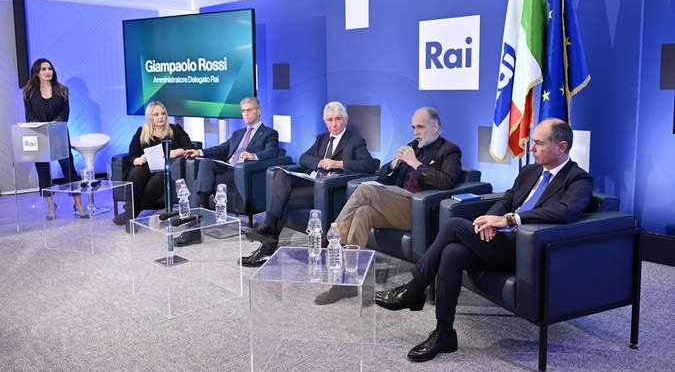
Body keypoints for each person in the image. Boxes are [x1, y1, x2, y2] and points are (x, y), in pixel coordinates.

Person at [374, 118, 594, 363]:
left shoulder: (579, 179)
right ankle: (444, 333)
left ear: (561, 147)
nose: (531, 148)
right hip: (499, 242)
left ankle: (414, 289)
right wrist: (489, 220)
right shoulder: (530, 171)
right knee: (452, 253)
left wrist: (510, 219)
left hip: (525, 249)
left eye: (539, 143)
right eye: (532, 141)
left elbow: (564, 211)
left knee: (453, 225)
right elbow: (506, 200)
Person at [313, 106, 462, 305]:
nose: (416, 132)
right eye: (413, 128)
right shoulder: (413, 146)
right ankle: (346, 283)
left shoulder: (449, 150)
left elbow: (447, 181)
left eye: (420, 127)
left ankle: (329, 239)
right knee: (362, 213)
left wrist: (415, 163)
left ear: (435, 127)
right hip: (396, 204)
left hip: (420, 209)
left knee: (365, 189)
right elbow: (382, 176)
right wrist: (394, 164)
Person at [242, 101, 378, 267]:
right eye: (329, 120)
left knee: (282, 200)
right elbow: (304, 158)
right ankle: (269, 229)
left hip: (330, 189)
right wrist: (320, 162)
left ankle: (266, 246)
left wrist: (338, 164)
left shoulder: (355, 141)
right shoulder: (322, 138)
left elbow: (369, 165)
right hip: (313, 182)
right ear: (325, 121)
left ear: (346, 119)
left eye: (338, 119)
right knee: (281, 174)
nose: (333, 124)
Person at [181, 96, 279, 246]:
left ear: (258, 111)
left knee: (198, 183)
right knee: (205, 162)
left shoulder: (269, 133)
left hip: (241, 173)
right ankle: (203, 207)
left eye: (249, 110)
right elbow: (221, 149)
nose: (246, 114)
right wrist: (199, 152)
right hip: (226, 167)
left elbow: (271, 151)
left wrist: (253, 156)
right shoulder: (238, 133)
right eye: (243, 111)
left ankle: (193, 229)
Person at [112, 101, 195, 233]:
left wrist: (176, 151)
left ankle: (130, 215)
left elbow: (190, 148)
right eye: (156, 114)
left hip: (164, 169)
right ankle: (130, 214)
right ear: (149, 117)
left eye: (163, 114)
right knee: (136, 173)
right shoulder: (141, 132)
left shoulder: (175, 130)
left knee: (160, 178)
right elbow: (132, 157)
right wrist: (139, 159)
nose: (160, 117)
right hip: (145, 167)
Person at [23, 58, 88, 219]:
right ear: (37, 73)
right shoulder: (29, 93)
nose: (48, 72)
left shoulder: (62, 90)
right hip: (39, 134)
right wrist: (42, 126)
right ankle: (51, 206)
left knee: (68, 168)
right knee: (43, 170)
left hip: (59, 133)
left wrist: (54, 123)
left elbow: (65, 112)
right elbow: (29, 116)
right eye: (44, 69)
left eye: (50, 68)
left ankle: (78, 204)